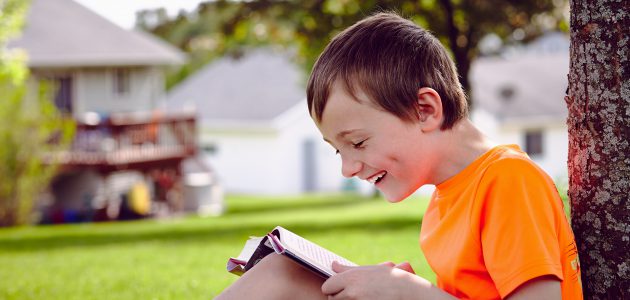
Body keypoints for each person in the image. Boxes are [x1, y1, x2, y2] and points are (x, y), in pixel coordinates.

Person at [217, 12, 582, 300]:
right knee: (283, 272)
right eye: (338, 150)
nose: (348, 168)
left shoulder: (508, 181)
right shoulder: (449, 194)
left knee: (283, 278)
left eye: (357, 143)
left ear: (424, 109)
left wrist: (411, 294)